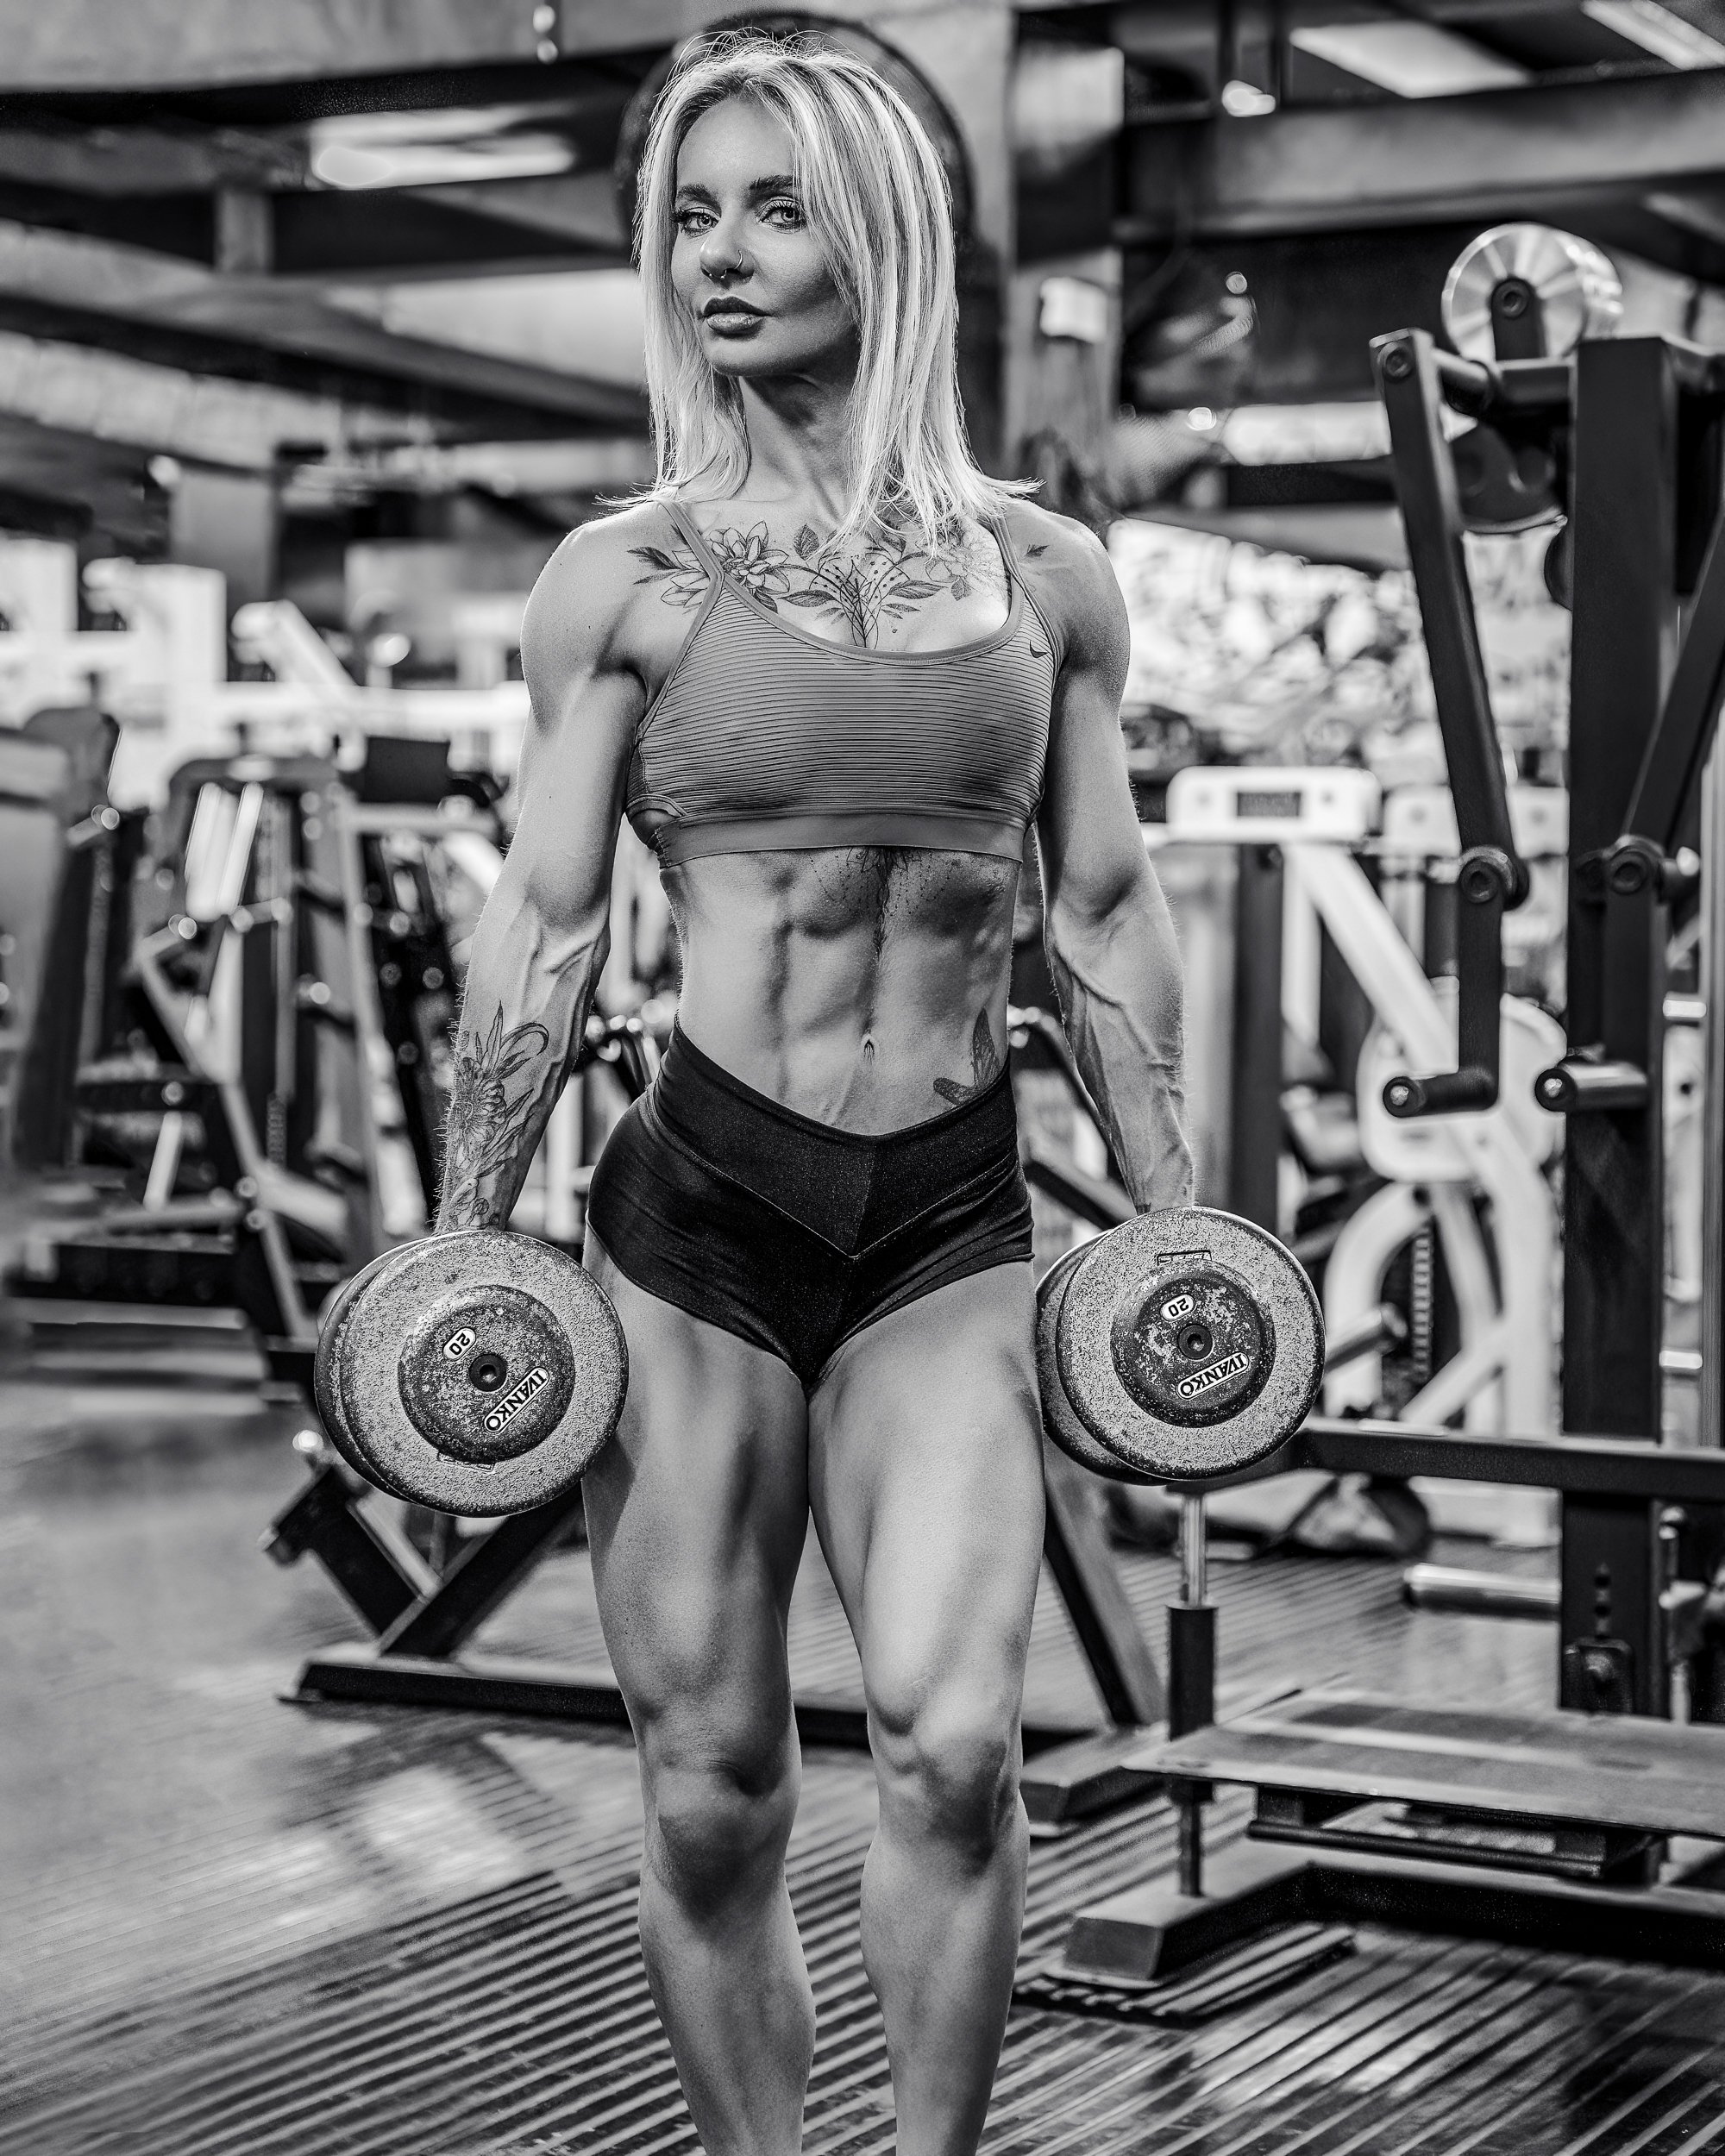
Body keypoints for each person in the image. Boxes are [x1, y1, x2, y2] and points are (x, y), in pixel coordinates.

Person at [434, 29, 1191, 2156]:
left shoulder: (1046, 580)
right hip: (703, 1222)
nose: (718, 259)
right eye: (689, 214)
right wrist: (463, 1243)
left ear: (882, 233)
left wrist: (1185, 1223)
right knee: (710, 1779)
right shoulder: (628, 577)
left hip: (949, 1220)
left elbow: (1108, 915)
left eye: (772, 206)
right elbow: (548, 921)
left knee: (959, 1747)